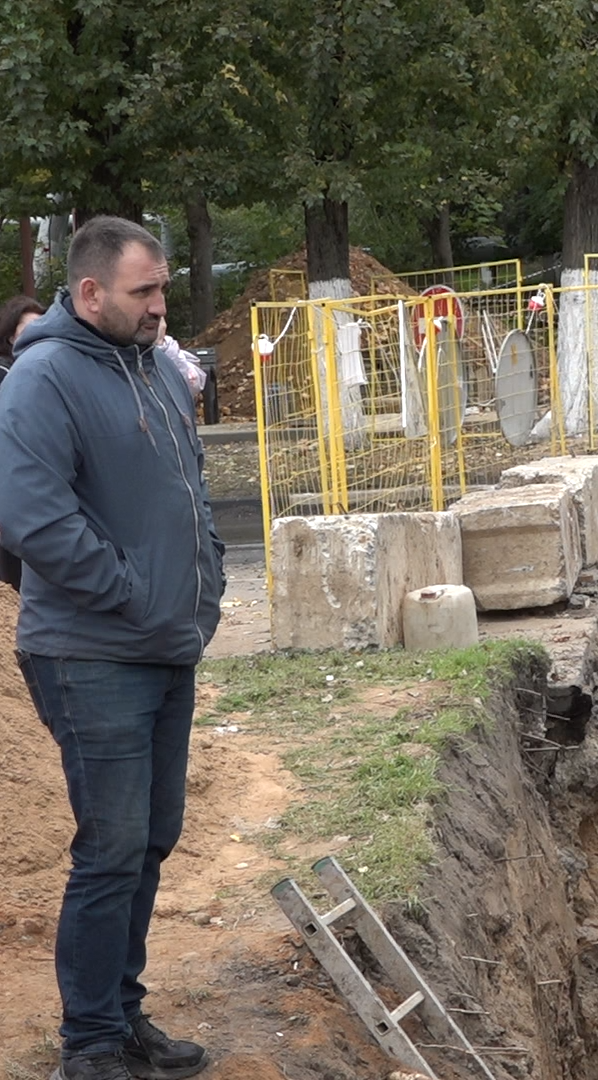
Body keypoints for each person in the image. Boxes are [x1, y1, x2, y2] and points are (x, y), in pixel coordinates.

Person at [0, 216, 223, 1080]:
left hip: (166, 645)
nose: (162, 305)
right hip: (90, 651)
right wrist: (133, 592)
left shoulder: (156, 371)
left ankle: (123, 1017)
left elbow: (191, 486)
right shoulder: (43, 378)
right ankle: (88, 1042)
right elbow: (32, 520)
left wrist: (205, 585)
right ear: (90, 292)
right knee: (111, 842)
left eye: (163, 287)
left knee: (152, 836)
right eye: (146, 291)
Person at [0, 293, 48, 387]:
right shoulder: (4, 372)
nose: (37, 334)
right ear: (11, 337)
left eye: (41, 328)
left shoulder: (46, 367)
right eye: (29, 328)